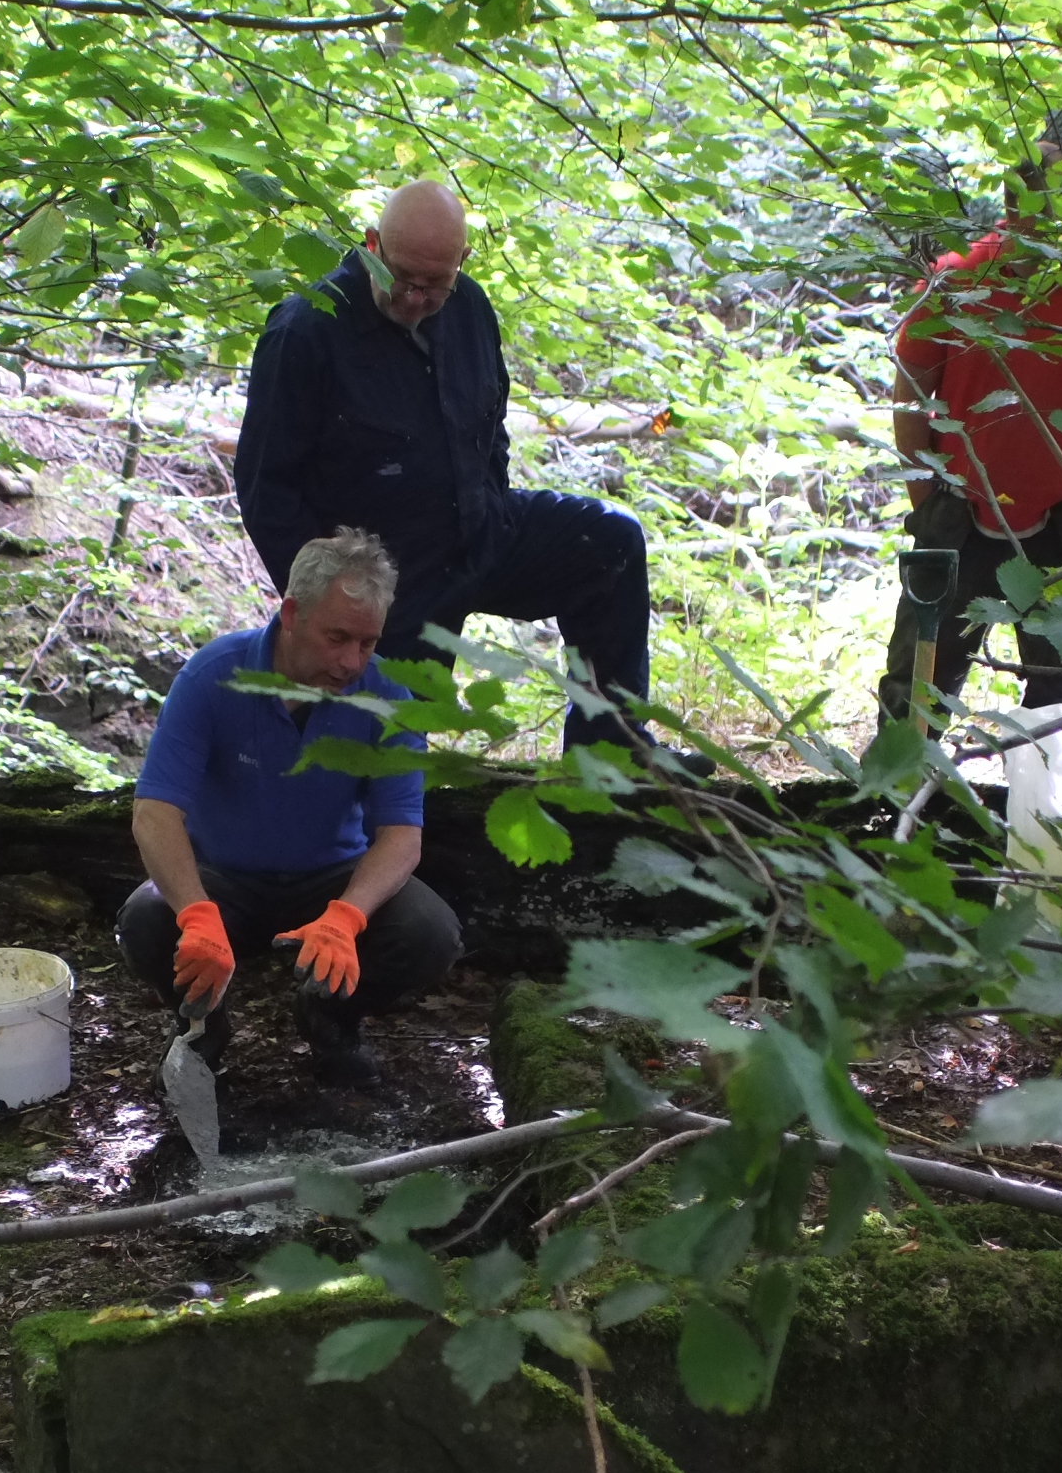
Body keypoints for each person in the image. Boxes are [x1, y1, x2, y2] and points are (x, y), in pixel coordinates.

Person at [233, 180, 659, 756]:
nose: (414, 298)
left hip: (480, 529)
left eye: (434, 284)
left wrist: (492, 496)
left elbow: (489, 427)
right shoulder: (307, 330)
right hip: (382, 579)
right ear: (372, 246)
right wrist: (324, 605)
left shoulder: (470, 309)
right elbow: (266, 490)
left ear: (461, 262)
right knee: (383, 765)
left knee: (609, 542)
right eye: (402, 278)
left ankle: (614, 757)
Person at [117, 527, 465, 1087]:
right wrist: (196, 914)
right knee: (146, 921)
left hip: (330, 877)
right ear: (291, 614)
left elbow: (401, 835)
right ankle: (202, 1026)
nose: (352, 661)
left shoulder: (388, 701)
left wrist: (348, 915)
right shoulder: (214, 676)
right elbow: (154, 812)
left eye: (368, 643)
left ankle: (329, 1016)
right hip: (222, 877)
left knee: (429, 932)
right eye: (337, 638)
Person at [879, 144, 1062, 724]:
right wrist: (930, 498)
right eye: (1044, 202)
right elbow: (911, 396)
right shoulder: (956, 280)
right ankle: (899, 799)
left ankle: (1045, 810)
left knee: (1059, 690)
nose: (1056, 217)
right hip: (959, 511)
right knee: (920, 676)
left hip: (1061, 516)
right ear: (1012, 202)